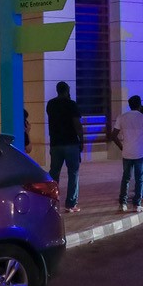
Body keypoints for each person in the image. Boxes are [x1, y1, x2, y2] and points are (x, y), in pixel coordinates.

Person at [110, 95, 143, 212]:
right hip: (140, 152)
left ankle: (122, 203)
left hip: (127, 152)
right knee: (139, 179)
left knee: (126, 178)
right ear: (140, 105)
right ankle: (137, 204)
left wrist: (121, 147)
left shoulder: (122, 117)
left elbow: (113, 135)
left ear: (129, 105)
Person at [47, 81, 84, 213]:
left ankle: (52, 201)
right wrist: (82, 139)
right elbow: (77, 124)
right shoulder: (71, 104)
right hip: (71, 143)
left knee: (54, 173)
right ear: (67, 90)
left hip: (55, 143)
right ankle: (71, 204)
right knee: (73, 173)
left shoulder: (50, 104)